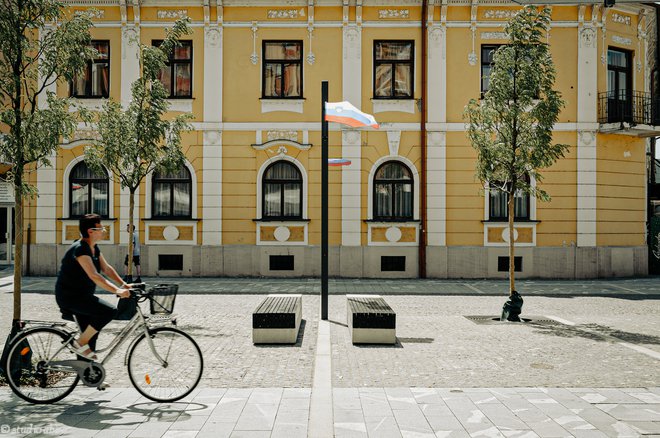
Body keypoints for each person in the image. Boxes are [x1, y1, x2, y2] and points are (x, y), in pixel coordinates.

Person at [55, 214, 131, 361]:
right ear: (90, 231)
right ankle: (80, 343)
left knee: (91, 334)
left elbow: (107, 269)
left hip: (82, 297)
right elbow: (95, 276)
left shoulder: (93, 247)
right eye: (100, 228)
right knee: (108, 311)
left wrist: (124, 284)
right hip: (71, 297)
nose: (103, 230)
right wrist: (117, 291)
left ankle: (89, 374)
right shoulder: (80, 249)